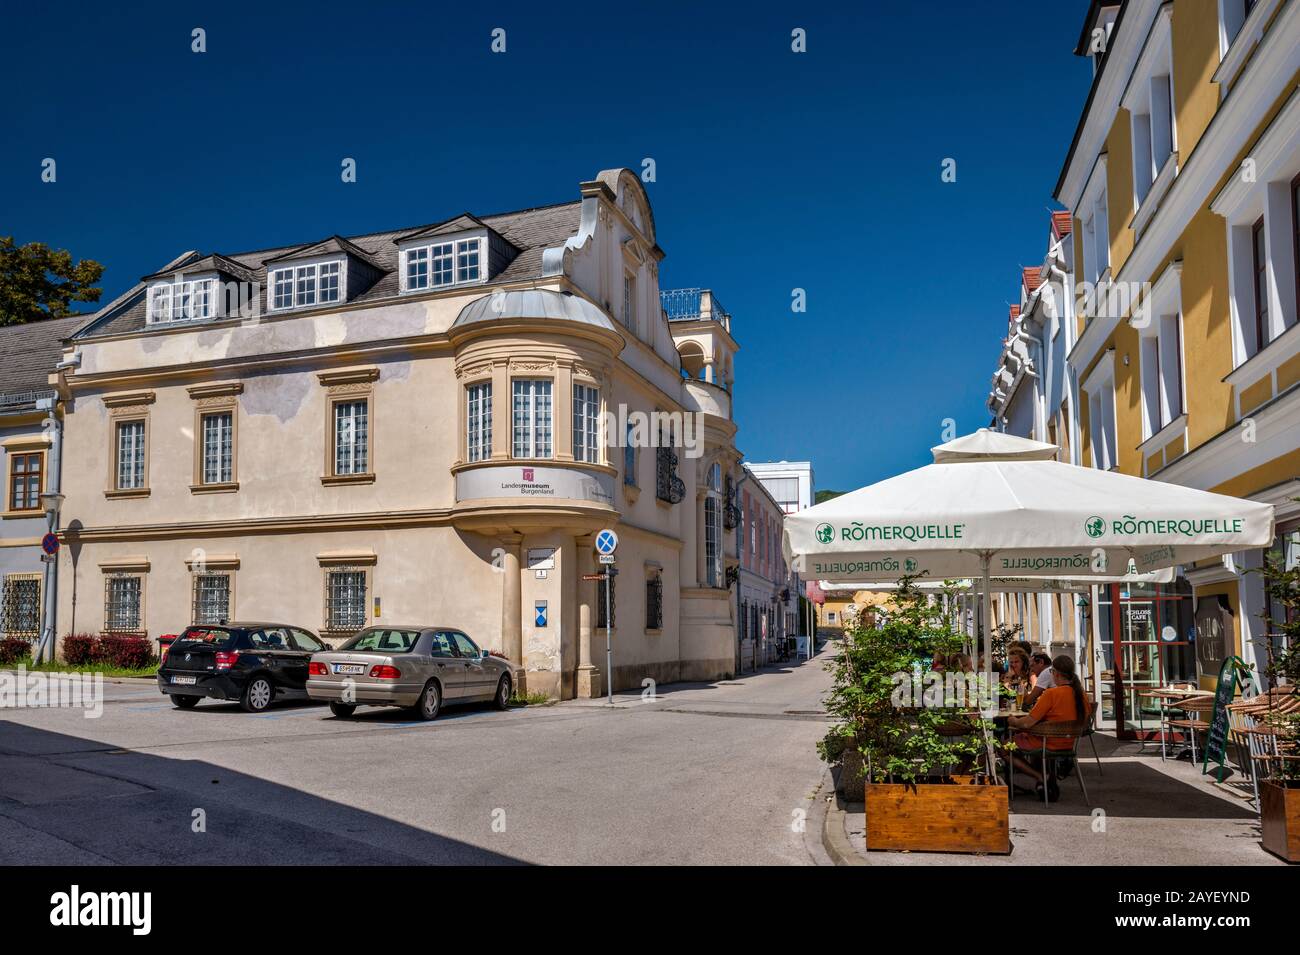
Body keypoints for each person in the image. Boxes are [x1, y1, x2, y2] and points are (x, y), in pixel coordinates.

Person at [1007, 655, 1090, 801]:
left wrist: (1013, 721)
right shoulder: (1081, 694)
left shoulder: (1052, 694)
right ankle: (1045, 778)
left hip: (1047, 742)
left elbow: (1027, 723)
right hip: (1069, 743)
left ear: (1056, 673)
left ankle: (1041, 776)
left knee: (1003, 746)